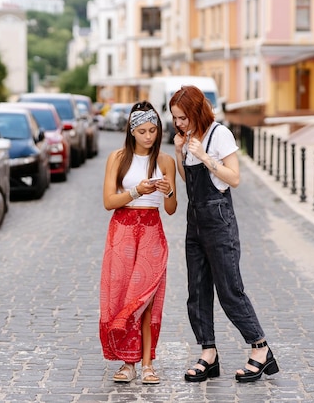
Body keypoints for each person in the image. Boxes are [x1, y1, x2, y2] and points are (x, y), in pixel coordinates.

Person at [170, 85, 279, 383]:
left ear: (195, 111)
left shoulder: (220, 135)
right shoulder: (188, 139)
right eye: (175, 118)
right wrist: (180, 152)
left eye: (182, 117)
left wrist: (205, 156)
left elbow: (234, 178)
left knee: (229, 289)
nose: (178, 123)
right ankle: (208, 353)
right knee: (197, 289)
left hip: (219, 220)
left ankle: (260, 348)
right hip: (195, 220)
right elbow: (187, 180)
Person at [99, 101, 178, 384]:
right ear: (132, 131)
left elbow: (171, 209)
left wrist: (168, 192)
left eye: (153, 130)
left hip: (151, 232)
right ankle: (127, 363)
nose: (148, 136)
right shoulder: (118, 158)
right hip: (121, 232)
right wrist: (135, 191)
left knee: (146, 300)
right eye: (142, 130)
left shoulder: (166, 162)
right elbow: (109, 201)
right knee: (123, 298)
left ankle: (147, 364)